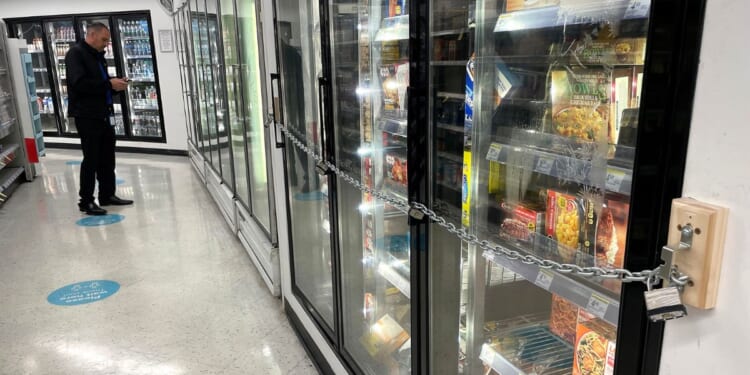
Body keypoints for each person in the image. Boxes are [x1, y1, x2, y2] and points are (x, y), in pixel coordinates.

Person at [66, 22, 133, 215]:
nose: (106, 44)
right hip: (87, 116)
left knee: (107, 157)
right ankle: (86, 201)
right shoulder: (76, 54)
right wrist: (108, 85)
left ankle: (107, 194)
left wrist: (116, 83)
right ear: (92, 34)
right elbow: (79, 84)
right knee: (92, 158)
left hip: (104, 113)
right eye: (104, 40)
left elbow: (101, 82)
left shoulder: (97, 56)